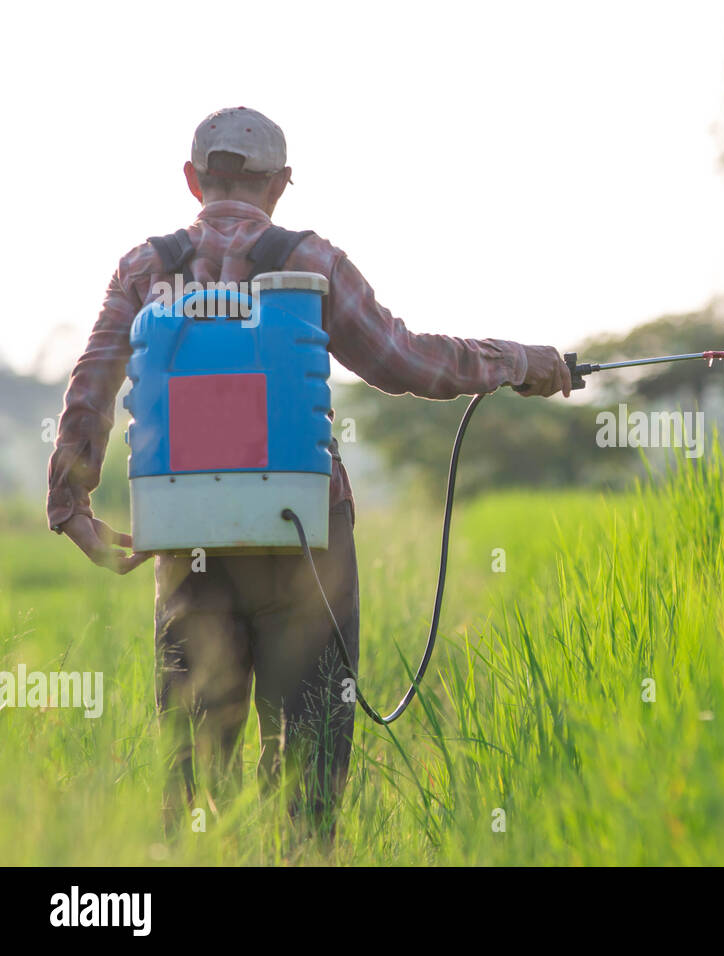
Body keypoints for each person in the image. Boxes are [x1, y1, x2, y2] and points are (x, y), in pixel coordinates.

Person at [46, 106, 572, 835]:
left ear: (194, 180)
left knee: (197, 762)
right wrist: (520, 362)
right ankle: (307, 851)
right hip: (304, 533)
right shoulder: (310, 260)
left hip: (187, 534)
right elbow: (408, 361)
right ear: (282, 184)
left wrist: (71, 504)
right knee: (315, 744)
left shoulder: (143, 267)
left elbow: (94, 383)